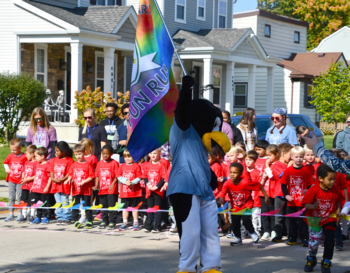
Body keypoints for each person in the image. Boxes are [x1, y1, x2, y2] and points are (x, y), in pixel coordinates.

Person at [167, 75, 230, 273]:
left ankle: (211, 266)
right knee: (191, 232)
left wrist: (210, 177)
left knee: (210, 232)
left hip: (204, 191)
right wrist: (186, 90)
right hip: (184, 188)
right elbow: (182, 111)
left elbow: (199, 161)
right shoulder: (182, 129)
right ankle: (186, 268)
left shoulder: (203, 142)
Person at [302, 164, 344, 273]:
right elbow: (306, 204)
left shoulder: (336, 189)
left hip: (329, 219)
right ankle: (311, 259)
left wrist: (338, 213)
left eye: (333, 179)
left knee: (330, 240)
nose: (332, 182)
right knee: (313, 243)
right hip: (314, 220)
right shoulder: (314, 189)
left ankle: (326, 261)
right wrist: (313, 206)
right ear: (320, 179)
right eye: (329, 179)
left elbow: (339, 200)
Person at [218, 162, 270, 246]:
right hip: (235, 207)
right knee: (235, 223)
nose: (232, 174)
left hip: (247, 205)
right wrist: (221, 199)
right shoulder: (227, 183)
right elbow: (222, 194)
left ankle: (253, 233)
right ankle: (238, 238)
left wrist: (266, 196)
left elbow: (259, 185)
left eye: (235, 172)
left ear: (240, 174)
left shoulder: (246, 183)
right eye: (230, 172)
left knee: (246, 220)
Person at [281, 146, 313, 246]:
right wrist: (286, 195)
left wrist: (306, 194)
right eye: (296, 157)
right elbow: (283, 185)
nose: (299, 159)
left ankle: (304, 238)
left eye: (301, 157)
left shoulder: (306, 170)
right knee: (292, 221)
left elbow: (310, 185)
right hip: (291, 202)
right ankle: (292, 237)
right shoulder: (288, 170)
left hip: (302, 202)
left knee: (303, 220)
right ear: (291, 157)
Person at [265, 143, 292, 242]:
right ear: (283, 154)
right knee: (279, 216)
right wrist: (289, 167)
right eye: (290, 154)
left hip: (290, 194)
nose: (291, 157)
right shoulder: (277, 165)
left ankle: (291, 234)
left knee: (289, 216)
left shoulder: (289, 163)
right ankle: (278, 234)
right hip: (280, 194)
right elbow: (282, 176)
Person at [66, 144, 95, 229]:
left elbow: (91, 176)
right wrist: (68, 179)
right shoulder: (73, 165)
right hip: (75, 190)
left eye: (80, 154)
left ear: (84, 153)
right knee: (75, 204)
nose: (78, 156)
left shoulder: (87, 164)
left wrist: (83, 182)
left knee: (87, 205)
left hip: (86, 190)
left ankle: (89, 220)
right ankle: (75, 220)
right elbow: (70, 174)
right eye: (76, 154)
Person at [94, 145, 120, 230]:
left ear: (111, 154)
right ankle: (105, 221)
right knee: (103, 206)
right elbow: (97, 175)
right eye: (103, 153)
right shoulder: (99, 163)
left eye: (107, 153)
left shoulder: (114, 163)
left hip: (111, 190)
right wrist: (96, 184)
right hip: (102, 189)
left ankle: (112, 222)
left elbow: (117, 175)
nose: (105, 155)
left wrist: (113, 184)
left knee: (112, 206)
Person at [117, 149, 143, 231]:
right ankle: (125, 222)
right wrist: (125, 181)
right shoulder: (122, 166)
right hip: (125, 193)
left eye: (129, 157)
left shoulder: (136, 165)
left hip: (135, 192)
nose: (127, 158)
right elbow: (118, 176)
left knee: (134, 208)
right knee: (125, 208)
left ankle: (135, 222)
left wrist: (132, 182)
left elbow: (139, 177)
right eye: (126, 157)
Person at [143, 148, 167, 233]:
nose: (153, 155)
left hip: (158, 191)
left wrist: (157, 186)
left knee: (157, 208)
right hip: (149, 190)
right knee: (150, 208)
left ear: (159, 154)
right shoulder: (147, 165)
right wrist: (149, 185)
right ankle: (149, 225)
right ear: (149, 155)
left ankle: (157, 226)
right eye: (151, 153)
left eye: (155, 153)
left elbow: (164, 177)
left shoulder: (161, 165)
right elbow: (145, 176)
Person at [49, 141, 74, 225]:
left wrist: (63, 178)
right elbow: (51, 170)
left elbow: (70, 172)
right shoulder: (53, 160)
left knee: (65, 201)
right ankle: (59, 217)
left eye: (57, 151)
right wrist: (53, 178)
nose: (56, 152)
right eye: (55, 151)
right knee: (58, 202)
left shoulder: (69, 160)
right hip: (55, 185)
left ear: (64, 150)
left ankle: (66, 217)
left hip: (64, 185)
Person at [3, 138, 28, 222]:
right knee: (11, 197)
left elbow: (27, 166)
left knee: (20, 197)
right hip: (11, 179)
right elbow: (5, 162)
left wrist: (25, 176)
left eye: (14, 150)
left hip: (20, 181)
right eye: (11, 149)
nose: (12, 151)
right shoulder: (10, 156)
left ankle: (20, 214)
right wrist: (7, 169)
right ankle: (11, 213)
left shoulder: (24, 157)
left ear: (20, 147)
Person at [260, 144, 279, 241]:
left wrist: (267, 166)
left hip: (272, 193)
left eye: (270, 155)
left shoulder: (276, 164)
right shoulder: (266, 164)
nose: (267, 158)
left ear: (276, 154)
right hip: (264, 192)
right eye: (266, 155)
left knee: (272, 212)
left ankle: (273, 230)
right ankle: (266, 231)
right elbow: (263, 175)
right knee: (264, 212)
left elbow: (271, 176)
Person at [30, 147, 52, 225]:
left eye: (36, 156)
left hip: (43, 189)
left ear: (42, 156)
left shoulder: (48, 165)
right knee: (38, 203)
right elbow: (36, 176)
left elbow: (50, 177)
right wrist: (33, 186)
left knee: (45, 203)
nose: (35, 158)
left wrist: (47, 187)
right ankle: (38, 217)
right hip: (36, 188)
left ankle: (46, 217)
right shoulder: (37, 164)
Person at [245, 150, 263, 234]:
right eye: (246, 159)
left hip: (255, 200)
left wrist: (263, 178)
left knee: (255, 217)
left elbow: (260, 186)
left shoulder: (258, 173)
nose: (248, 161)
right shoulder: (242, 172)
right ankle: (246, 231)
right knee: (245, 217)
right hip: (244, 201)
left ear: (255, 161)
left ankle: (256, 231)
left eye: (250, 160)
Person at [20, 145, 37, 222]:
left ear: (32, 154)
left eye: (27, 154)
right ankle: (24, 215)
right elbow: (23, 171)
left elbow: (36, 175)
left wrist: (27, 179)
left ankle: (32, 215)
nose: (25, 155)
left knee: (32, 201)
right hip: (25, 186)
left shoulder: (36, 163)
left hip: (32, 186)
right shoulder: (26, 162)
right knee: (24, 200)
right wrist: (23, 178)